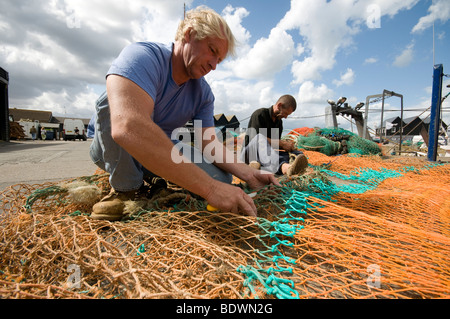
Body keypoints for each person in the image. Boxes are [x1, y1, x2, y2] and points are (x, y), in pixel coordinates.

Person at [89, 6, 280, 221]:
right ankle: (126, 189)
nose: (214, 65)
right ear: (189, 34)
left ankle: (158, 179)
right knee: (111, 101)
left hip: (160, 151)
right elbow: (127, 127)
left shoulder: (203, 93)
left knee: (222, 179)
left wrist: (247, 173)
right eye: (212, 51)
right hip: (115, 150)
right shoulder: (143, 56)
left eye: (220, 60)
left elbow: (209, 144)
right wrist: (210, 190)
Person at [240, 95, 308, 176]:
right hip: (249, 154)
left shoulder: (279, 122)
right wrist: (281, 143)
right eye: (285, 113)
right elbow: (254, 140)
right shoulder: (259, 114)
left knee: (297, 154)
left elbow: (274, 145)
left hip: (266, 155)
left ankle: (258, 166)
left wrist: (286, 146)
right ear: (279, 106)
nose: (286, 117)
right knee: (259, 138)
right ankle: (285, 168)